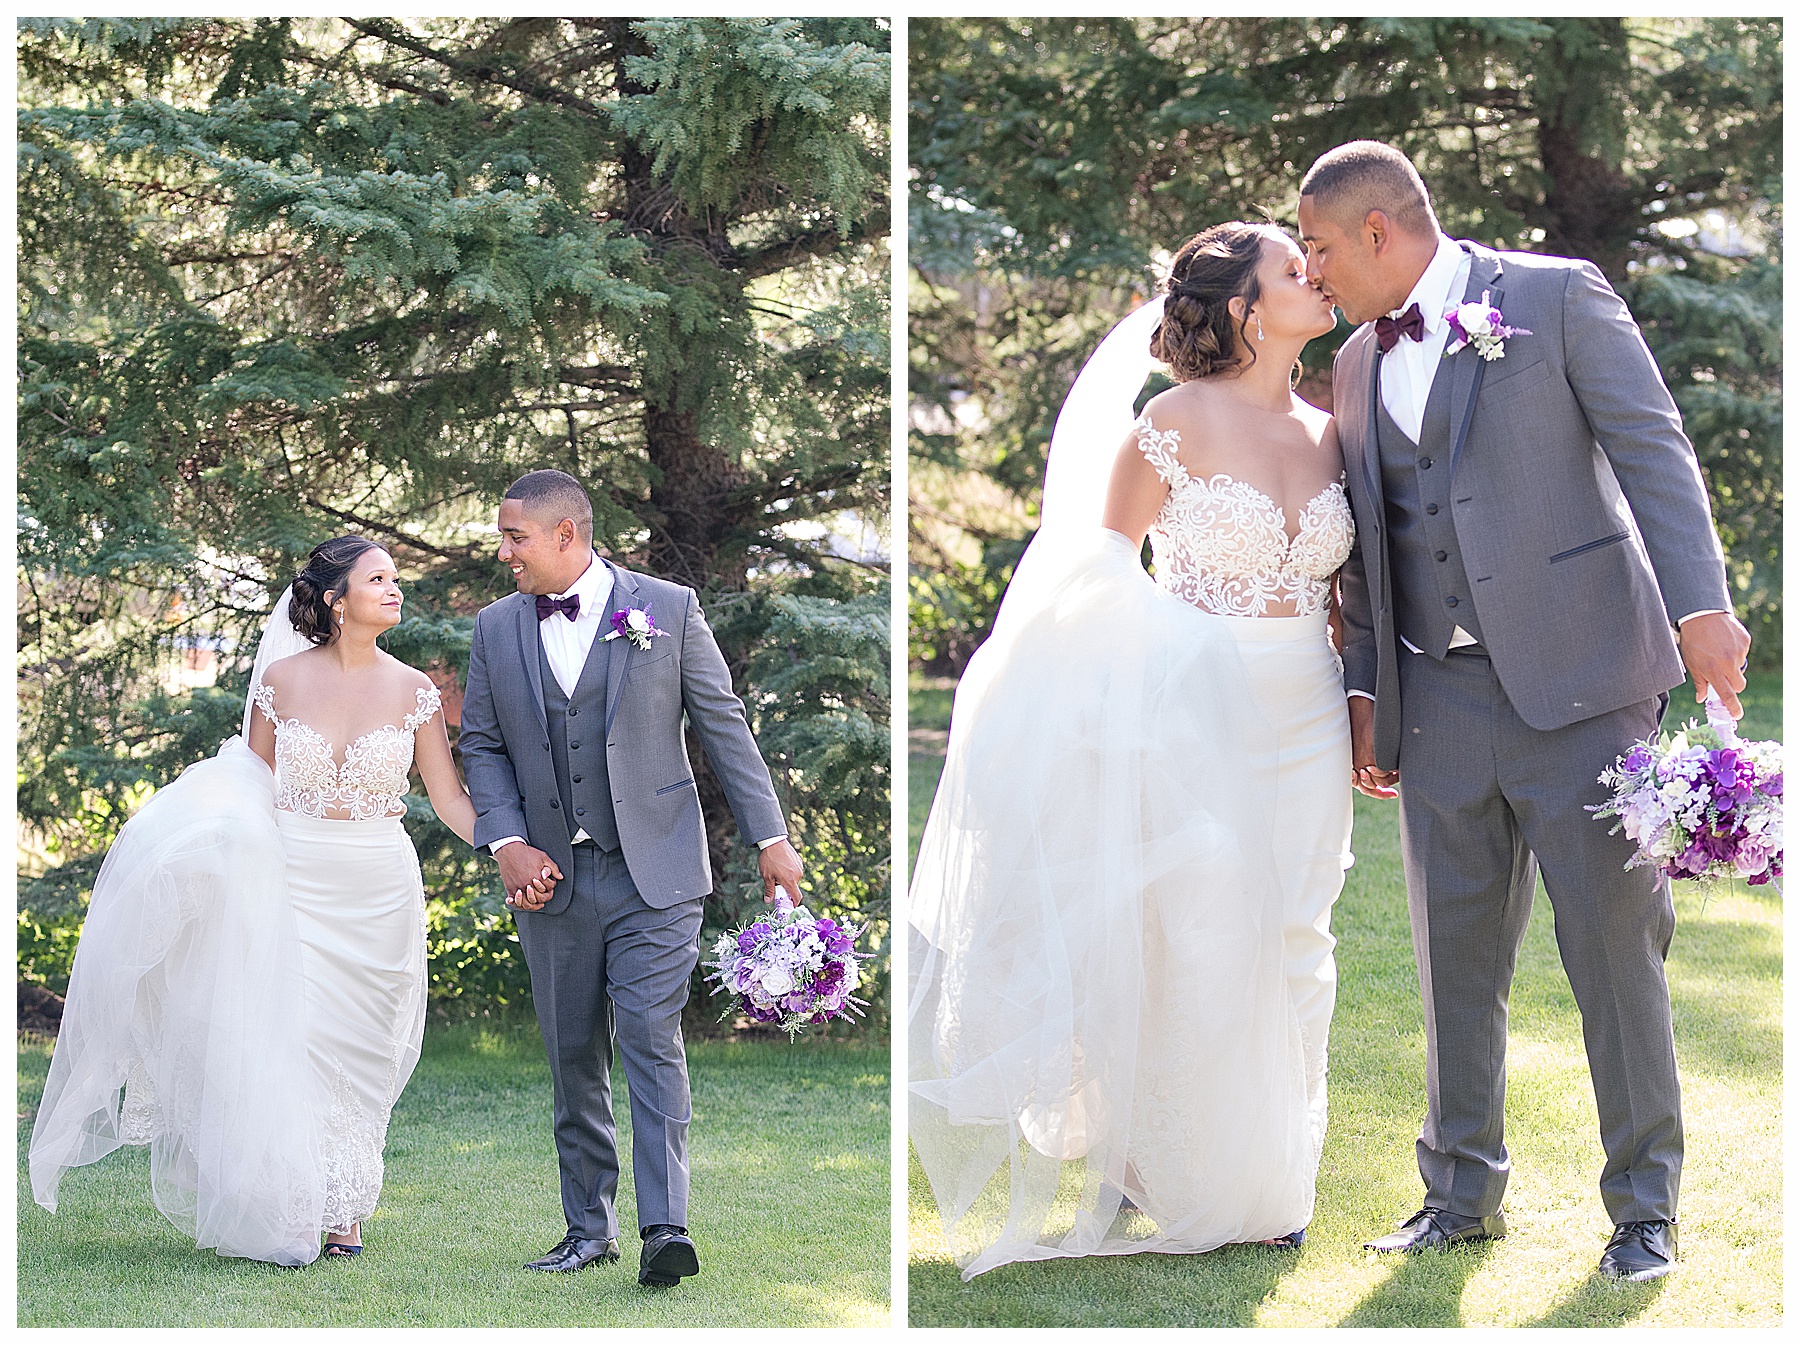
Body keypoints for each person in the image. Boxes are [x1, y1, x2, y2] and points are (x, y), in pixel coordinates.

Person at [1297, 140, 1748, 1282]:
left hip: (1587, 688)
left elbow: (1654, 448)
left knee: (1613, 953)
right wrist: (1365, 691)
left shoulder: (1552, 295)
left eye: (1316, 247)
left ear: (1378, 234)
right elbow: (1361, 546)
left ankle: (1644, 1212)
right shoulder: (1352, 363)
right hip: (1435, 702)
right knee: (1454, 964)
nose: (1312, 273)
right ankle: (1458, 1195)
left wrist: (1703, 607)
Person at [909, 222, 1355, 1278]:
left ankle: (1280, 1177)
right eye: (1296, 271)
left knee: (1301, 932)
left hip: (1311, 706)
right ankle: (1184, 1170)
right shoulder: (1170, 423)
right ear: (1246, 307)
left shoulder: (1332, 426)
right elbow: (1097, 574)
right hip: (1196, 708)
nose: (1318, 276)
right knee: (1197, 939)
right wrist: (1181, 655)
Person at [30, 536, 479, 1265]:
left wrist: (507, 845)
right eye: (378, 579)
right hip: (293, 875)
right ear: (337, 600)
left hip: (376, 886)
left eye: (397, 578)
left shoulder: (413, 691)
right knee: (294, 1036)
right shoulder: (281, 681)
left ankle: (348, 1208)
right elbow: (247, 785)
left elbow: (450, 799)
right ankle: (297, 1203)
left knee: (362, 1044)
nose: (397, 589)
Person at [456, 469, 805, 1288]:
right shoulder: (495, 629)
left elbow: (723, 724)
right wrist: (505, 840)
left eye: (515, 537)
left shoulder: (668, 608)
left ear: (566, 535)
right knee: (573, 1054)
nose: (503, 552)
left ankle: (665, 1228)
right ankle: (587, 1230)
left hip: (657, 871)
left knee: (650, 1036)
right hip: (551, 881)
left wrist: (771, 836)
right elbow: (480, 744)